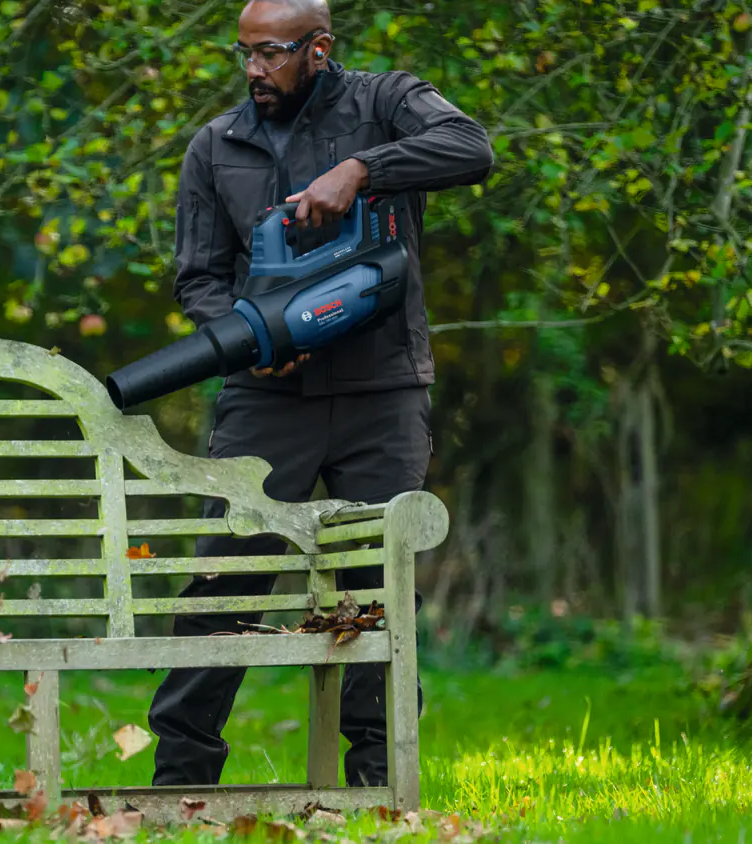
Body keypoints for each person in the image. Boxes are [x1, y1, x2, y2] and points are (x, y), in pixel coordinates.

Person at [145, 0, 494, 790]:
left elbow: (472, 147)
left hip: (383, 393)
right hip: (266, 402)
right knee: (223, 579)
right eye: (244, 54)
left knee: (378, 589)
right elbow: (198, 276)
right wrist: (249, 336)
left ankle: (379, 784)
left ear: (319, 48)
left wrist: (362, 170)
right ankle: (182, 782)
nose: (254, 71)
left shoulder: (386, 102)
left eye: (271, 54)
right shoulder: (216, 145)